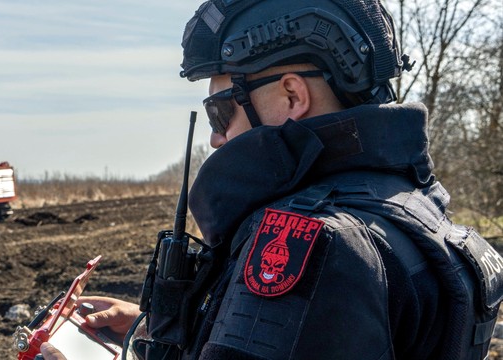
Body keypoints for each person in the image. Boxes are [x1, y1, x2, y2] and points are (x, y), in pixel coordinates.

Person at [39, 0, 503, 359]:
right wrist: (150, 328)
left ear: (290, 94)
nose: (218, 139)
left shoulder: (313, 245)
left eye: (221, 112)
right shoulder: (409, 205)